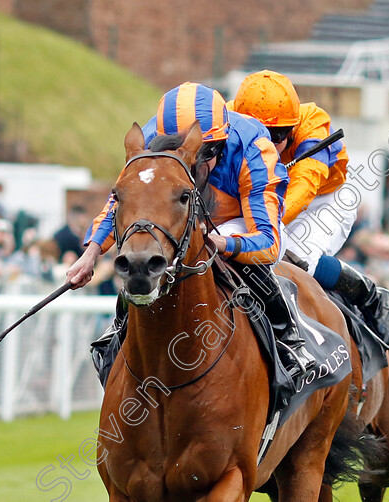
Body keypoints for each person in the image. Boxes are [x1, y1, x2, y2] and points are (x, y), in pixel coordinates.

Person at [66, 81, 316, 377]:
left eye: (206, 151)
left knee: (244, 263)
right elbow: (120, 201)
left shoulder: (254, 149)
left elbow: (268, 243)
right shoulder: (147, 144)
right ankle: (117, 335)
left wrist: (223, 244)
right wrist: (91, 253)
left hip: (236, 219)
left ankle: (288, 341)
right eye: (176, 150)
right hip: (180, 210)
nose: (193, 160)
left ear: (222, 142)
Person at [228, 69, 389, 345]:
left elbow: (303, 188)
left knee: (295, 256)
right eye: (257, 135)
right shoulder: (223, 119)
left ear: (293, 127)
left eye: (276, 135)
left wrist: (264, 225)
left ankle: (370, 296)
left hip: (323, 199)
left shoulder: (313, 125)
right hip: (265, 197)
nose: (268, 146)